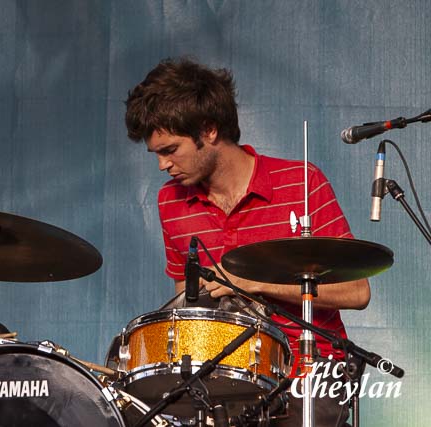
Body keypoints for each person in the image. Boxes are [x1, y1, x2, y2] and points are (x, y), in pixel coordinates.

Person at [124, 58, 370, 426]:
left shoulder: (302, 182)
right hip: (224, 380)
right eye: (156, 153)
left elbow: (357, 292)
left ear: (208, 130)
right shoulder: (170, 202)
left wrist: (253, 282)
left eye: (170, 150)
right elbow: (190, 302)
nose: (162, 165)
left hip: (311, 376)